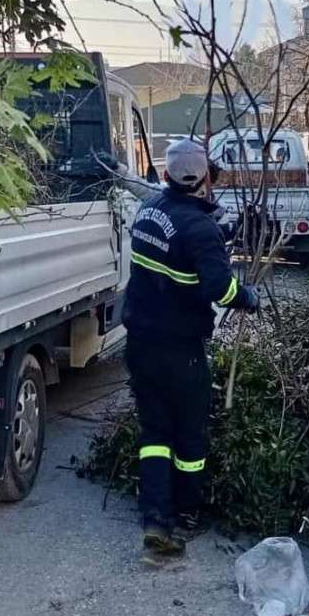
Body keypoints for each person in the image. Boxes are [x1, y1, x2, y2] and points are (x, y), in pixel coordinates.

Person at [122, 137, 260, 558]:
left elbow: (171, 228)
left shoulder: (149, 212)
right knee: (190, 437)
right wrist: (249, 296)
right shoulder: (201, 229)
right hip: (181, 350)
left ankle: (154, 516)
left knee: (154, 432)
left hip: (140, 343)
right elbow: (221, 289)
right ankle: (186, 514)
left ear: (167, 175)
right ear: (205, 179)